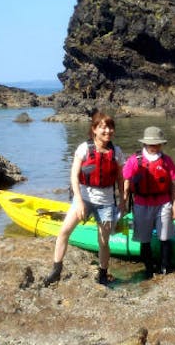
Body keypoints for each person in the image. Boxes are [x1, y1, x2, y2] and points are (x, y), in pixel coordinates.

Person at [44, 111, 126, 286]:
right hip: (84, 197)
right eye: (103, 127)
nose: (108, 131)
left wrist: (123, 202)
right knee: (64, 232)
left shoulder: (116, 152)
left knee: (104, 241)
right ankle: (56, 270)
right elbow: (74, 176)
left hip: (106, 202)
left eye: (110, 127)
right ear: (94, 129)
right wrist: (79, 201)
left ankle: (103, 274)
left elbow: (120, 179)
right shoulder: (83, 148)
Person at [122, 126, 175, 278]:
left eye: (157, 144)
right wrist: (123, 203)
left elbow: (172, 185)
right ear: (145, 144)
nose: (154, 147)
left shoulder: (166, 161)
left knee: (164, 237)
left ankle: (165, 267)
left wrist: (174, 206)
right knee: (144, 239)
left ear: (161, 144)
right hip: (141, 203)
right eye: (151, 144)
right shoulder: (134, 160)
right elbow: (126, 182)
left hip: (163, 203)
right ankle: (148, 268)